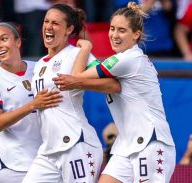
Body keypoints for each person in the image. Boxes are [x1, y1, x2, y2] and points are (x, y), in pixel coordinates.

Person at [53, 2, 176, 182]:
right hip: (125, 145)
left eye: (122, 30)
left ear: (136, 35)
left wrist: (86, 47)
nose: (114, 35)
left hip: (151, 143)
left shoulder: (128, 59)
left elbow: (78, 75)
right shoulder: (119, 61)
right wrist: (80, 36)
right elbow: (102, 77)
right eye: (112, 29)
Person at [22, 4, 120, 183]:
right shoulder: (40, 63)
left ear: (69, 29)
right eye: (46, 21)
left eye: (56, 23)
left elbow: (113, 84)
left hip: (77, 144)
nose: (49, 27)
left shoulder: (78, 54)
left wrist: (77, 81)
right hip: (48, 150)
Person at [0, 22, 62, 182]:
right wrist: (33, 104)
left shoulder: (38, 68)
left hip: (45, 157)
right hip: (12, 163)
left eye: (3, 39)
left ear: (18, 42)